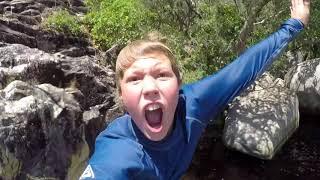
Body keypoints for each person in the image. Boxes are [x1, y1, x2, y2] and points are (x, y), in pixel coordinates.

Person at [80, 0, 310, 179]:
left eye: (161, 75)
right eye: (135, 79)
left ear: (179, 84)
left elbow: (243, 69)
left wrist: (294, 25)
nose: (150, 88)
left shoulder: (193, 105)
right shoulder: (118, 152)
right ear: (121, 94)